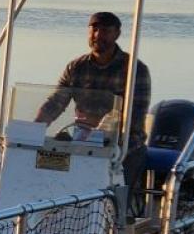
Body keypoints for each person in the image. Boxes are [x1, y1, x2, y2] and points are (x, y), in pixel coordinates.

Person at [35, 11, 151, 147]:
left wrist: (101, 129)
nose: (98, 35)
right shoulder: (75, 67)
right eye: (94, 30)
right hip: (82, 142)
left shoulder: (136, 70)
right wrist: (33, 130)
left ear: (117, 34)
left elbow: (135, 115)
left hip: (124, 147)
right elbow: (55, 103)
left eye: (105, 31)